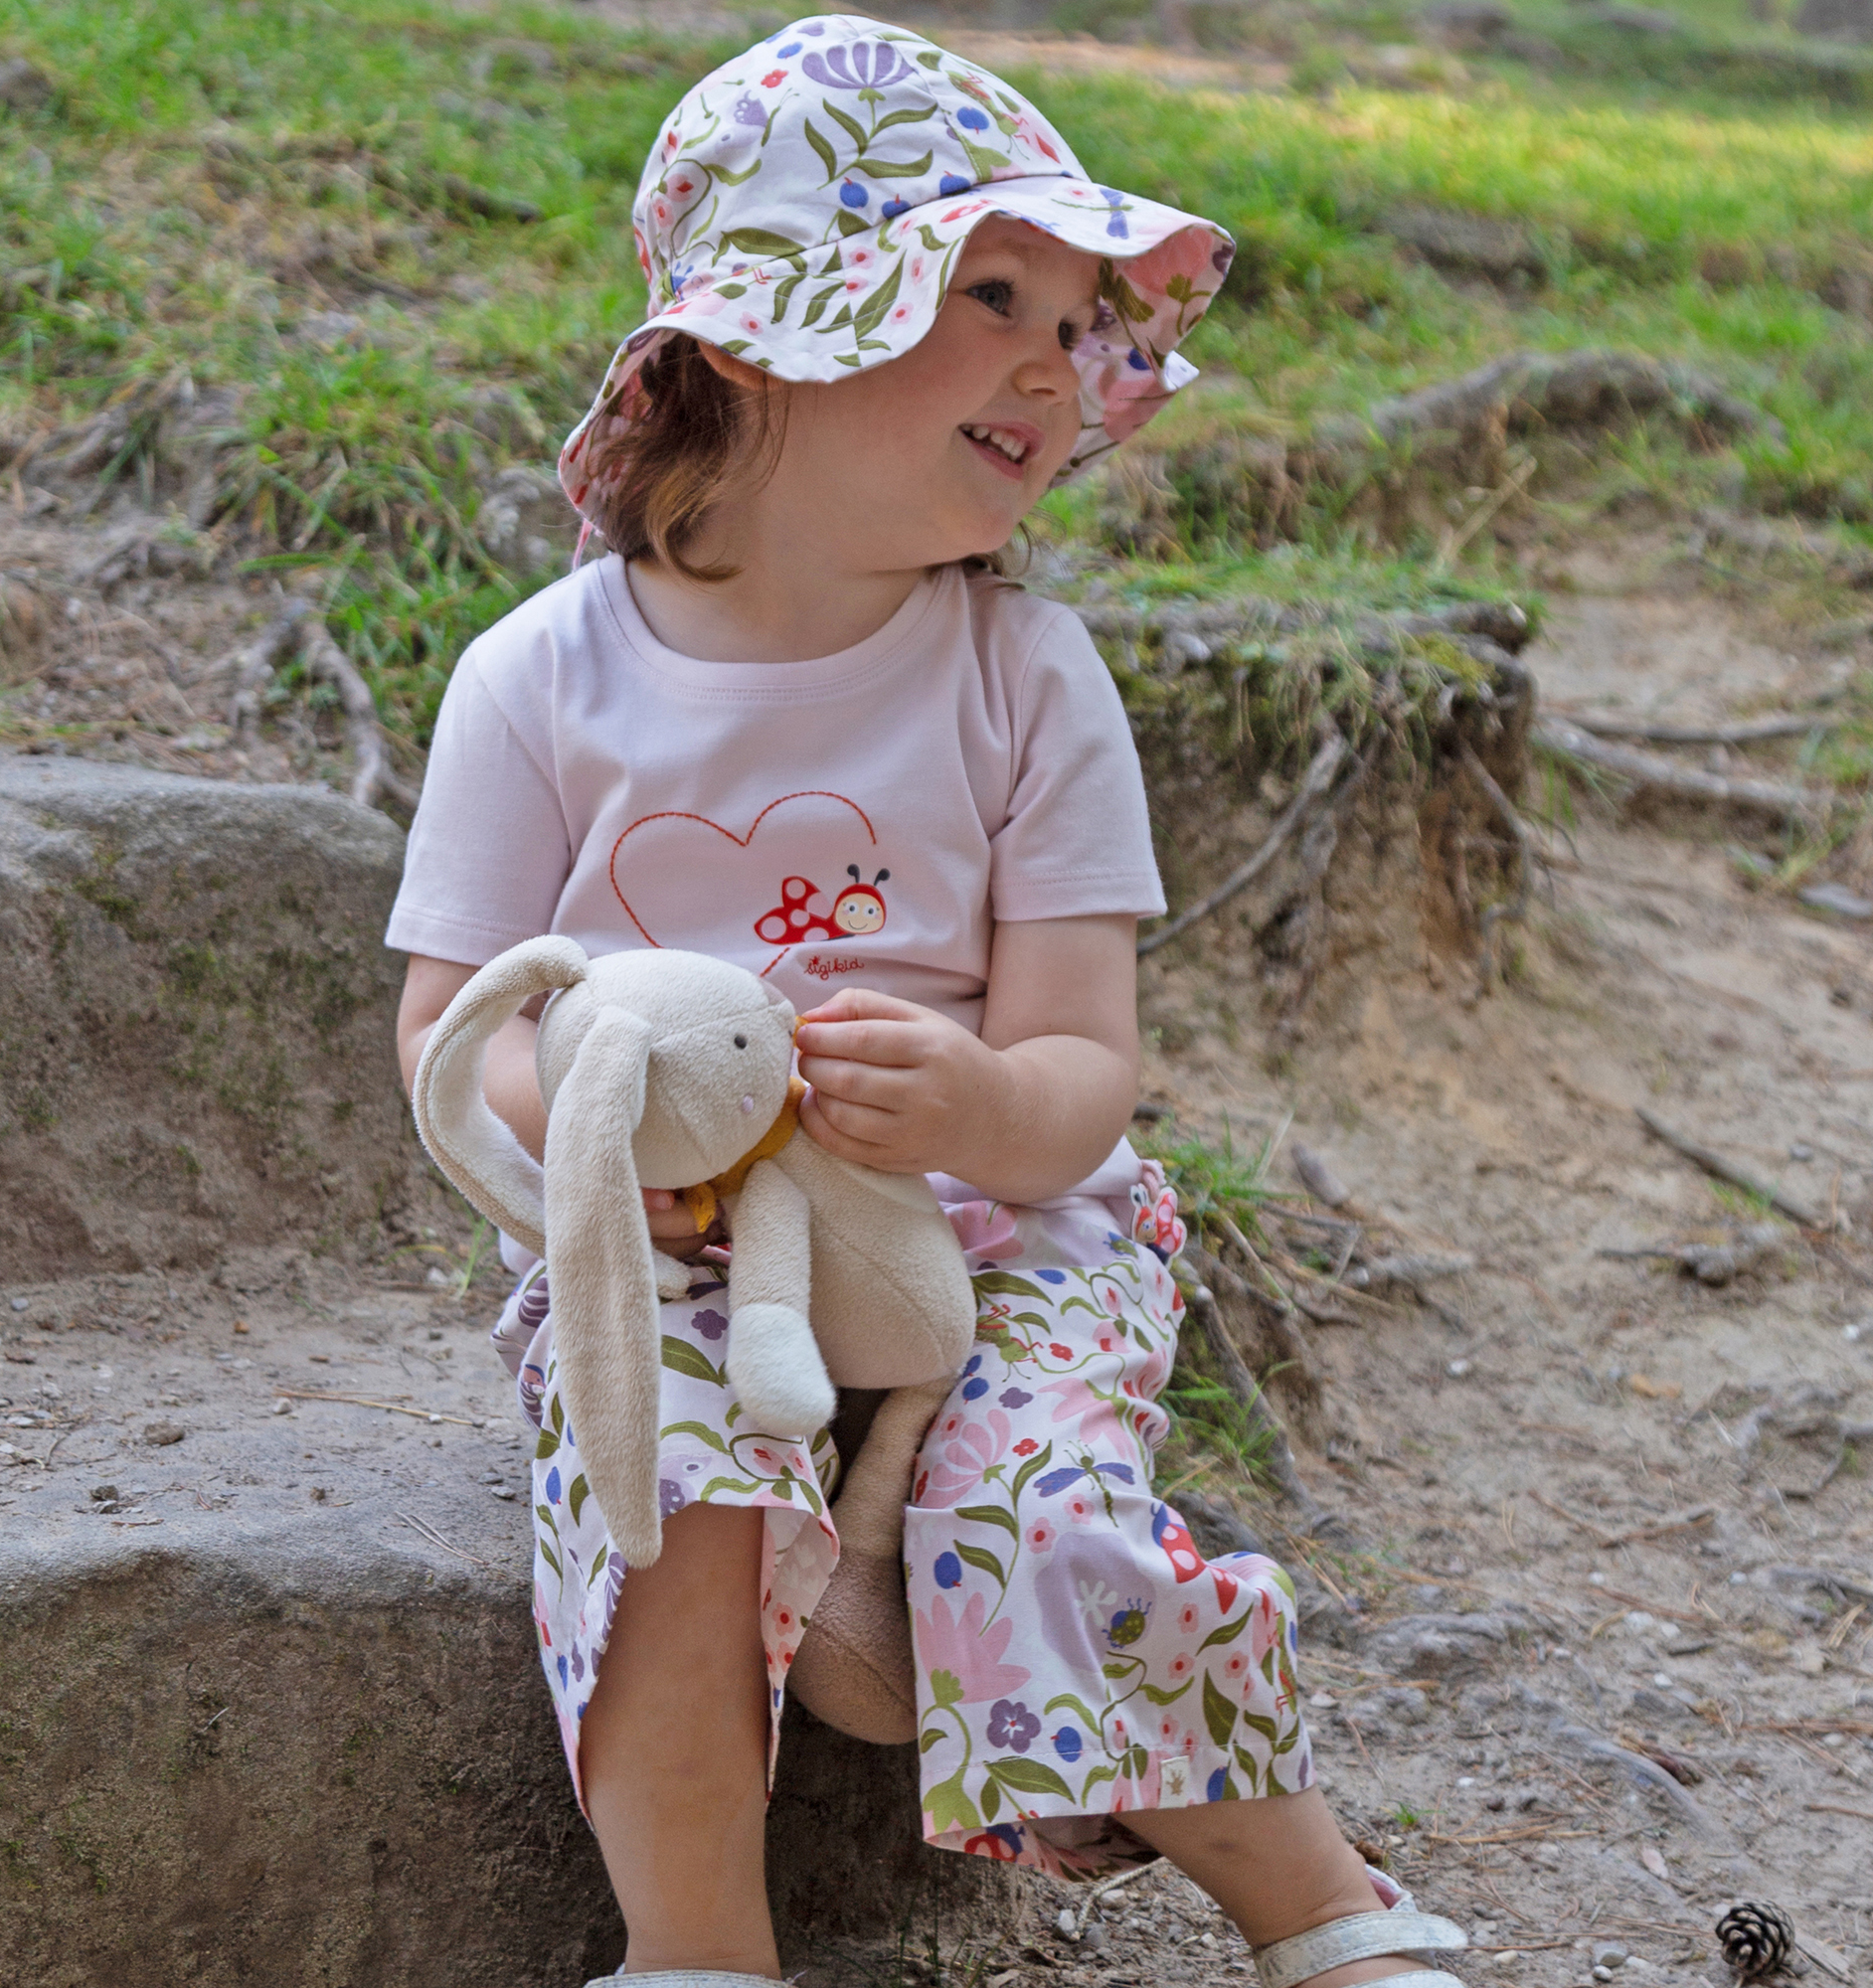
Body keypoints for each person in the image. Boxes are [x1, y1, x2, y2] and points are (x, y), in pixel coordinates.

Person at [388, 18, 1469, 1988]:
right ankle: (697, 1947)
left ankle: (1329, 1910)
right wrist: (620, 1127)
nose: (1057, 367)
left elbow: (1082, 1075)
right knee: (665, 1511)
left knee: (1042, 1512)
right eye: (989, 295)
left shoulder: (1023, 680)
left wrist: (971, 1098)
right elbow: (455, 1041)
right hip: (670, 1243)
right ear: (756, 339)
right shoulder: (538, 683)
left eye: (1081, 320)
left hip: (1011, 1220)